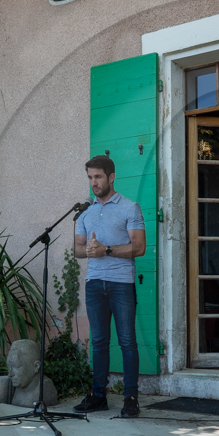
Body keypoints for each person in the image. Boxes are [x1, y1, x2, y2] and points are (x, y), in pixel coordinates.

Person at [72, 156, 146, 418]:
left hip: (121, 283)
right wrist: (89, 250)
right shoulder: (85, 211)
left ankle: (131, 398)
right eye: (90, 177)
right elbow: (77, 249)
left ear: (111, 177)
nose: (94, 183)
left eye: (98, 177)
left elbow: (139, 247)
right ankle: (98, 396)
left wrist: (106, 250)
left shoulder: (130, 208)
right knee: (99, 342)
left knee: (127, 341)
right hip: (94, 283)